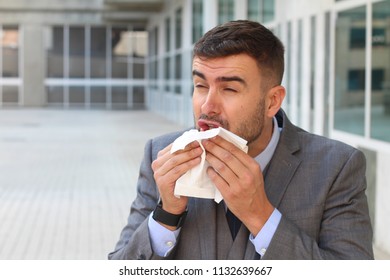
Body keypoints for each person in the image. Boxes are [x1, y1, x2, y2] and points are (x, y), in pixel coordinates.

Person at [108, 20, 373, 260]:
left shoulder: (337, 167)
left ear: (272, 101)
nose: (208, 106)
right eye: (200, 86)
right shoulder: (161, 155)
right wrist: (167, 214)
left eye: (230, 89)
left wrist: (261, 216)